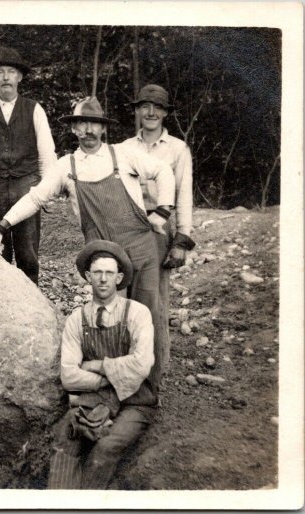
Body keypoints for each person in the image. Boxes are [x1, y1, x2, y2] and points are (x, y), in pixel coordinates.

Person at [0, 96, 175, 394]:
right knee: (113, 322)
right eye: (81, 124)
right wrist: (0, 226)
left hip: (143, 248)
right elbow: (35, 198)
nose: (88, 130)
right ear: (73, 129)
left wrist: (163, 210)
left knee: (147, 316)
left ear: (103, 129)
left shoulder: (121, 155)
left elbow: (163, 170)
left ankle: (149, 390)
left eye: (94, 124)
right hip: (105, 259)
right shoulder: (66, 167)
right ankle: (115, 391)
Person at [47, 240, 156, 489]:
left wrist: (95, 365)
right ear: (88, 277)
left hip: (136, 403)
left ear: (119, 277)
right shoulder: (77, 319)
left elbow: (142, 364)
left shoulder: (138, 313)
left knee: (105, 448)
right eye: (97, 273)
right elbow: (69, 377)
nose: (103, 279)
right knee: (65, 439)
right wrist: (111, 377)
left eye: (109, 273)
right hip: (95, 400)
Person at [121, 84, 196, 373]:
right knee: (124, 292)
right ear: (137, 111)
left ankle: (156, 367)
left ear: (165, 113)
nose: (151, 112)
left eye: (157, 107)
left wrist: (182, 239)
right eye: (145, 106)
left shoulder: (178, 149)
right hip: (129, 224)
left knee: (155, 298)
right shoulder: (126, 148)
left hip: (161, 226)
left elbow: (184, 196)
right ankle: (127, 361)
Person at [0, 47, 58, 282]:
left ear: (19, 77)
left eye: (11, 72)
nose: (6, 77)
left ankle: (33, 303)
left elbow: (46, 152)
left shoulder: (34, 109)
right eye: (0, 73)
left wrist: (45, 189)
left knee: (27, 251)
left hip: (26, 185)